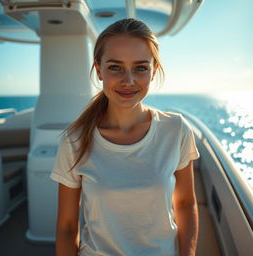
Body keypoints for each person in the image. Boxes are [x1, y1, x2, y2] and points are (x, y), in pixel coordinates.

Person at [51, 18, 200, 256]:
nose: (128, 81)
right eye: (115, 67)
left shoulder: (176, 130)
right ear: (99, 70)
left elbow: (185, 204)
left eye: (140, 67)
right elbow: (67, 228)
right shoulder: (75, 140)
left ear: (153, 72)